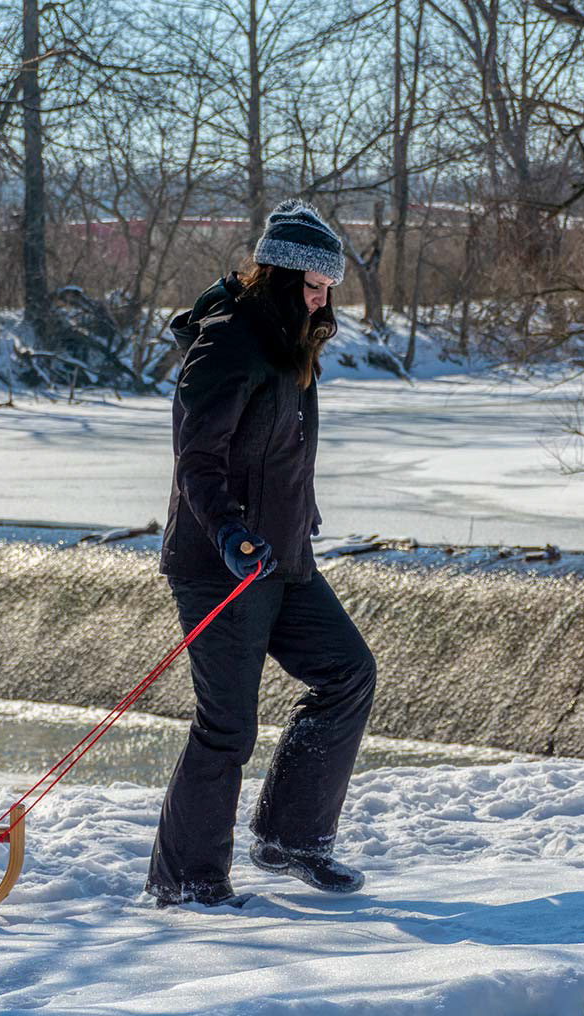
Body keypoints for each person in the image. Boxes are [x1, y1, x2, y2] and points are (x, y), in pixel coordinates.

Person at [147, 199, 378, 909]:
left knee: (347, 673)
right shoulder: (230, 342)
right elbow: (199, 459)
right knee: (228, 725)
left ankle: (292, 837)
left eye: (328, 288)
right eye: (313, 286)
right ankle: (186, 879)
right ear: (277, 275)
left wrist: (296, 516)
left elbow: (278, 453)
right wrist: (228, 530)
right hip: (221, 560)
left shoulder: (288, 340)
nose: (324, 299)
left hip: (282, 559)